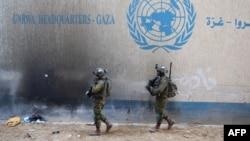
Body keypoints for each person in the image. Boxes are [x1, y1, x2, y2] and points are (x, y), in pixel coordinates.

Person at [145, 64, 175, 132]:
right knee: (159, 110)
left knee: (159, 112)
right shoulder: (160, 78)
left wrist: (151, 89)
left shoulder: (164, 80)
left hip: (162, 98)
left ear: (162, 72)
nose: (157, 72)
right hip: (159, 97)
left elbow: (159, 90)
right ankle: (170, 121)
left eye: (158, 71)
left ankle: (157, 127)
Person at [86, 68, 113, 136]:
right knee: (98, 113)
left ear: (99, 75)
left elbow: (95, 90)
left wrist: (93, 86)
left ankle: (98, 131)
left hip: (99, 100)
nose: (96, 76)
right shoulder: (104, 81)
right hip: (101, 100)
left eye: (97, 74)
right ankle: (108, 124)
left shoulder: (100, 82)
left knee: (97, 115)